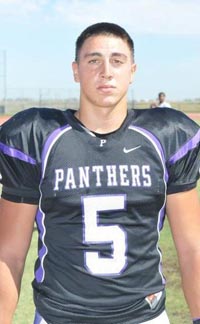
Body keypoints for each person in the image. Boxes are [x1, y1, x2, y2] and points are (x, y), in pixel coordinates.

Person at [0, 22, 200, 324]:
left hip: (144, 316)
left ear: (132, 71)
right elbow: (10, 253)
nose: (106, 71)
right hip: (60, 317)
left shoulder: (166, 136)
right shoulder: (36, 136)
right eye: (93, 60)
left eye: (117, 61)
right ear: (75, 70)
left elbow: (192, 248)